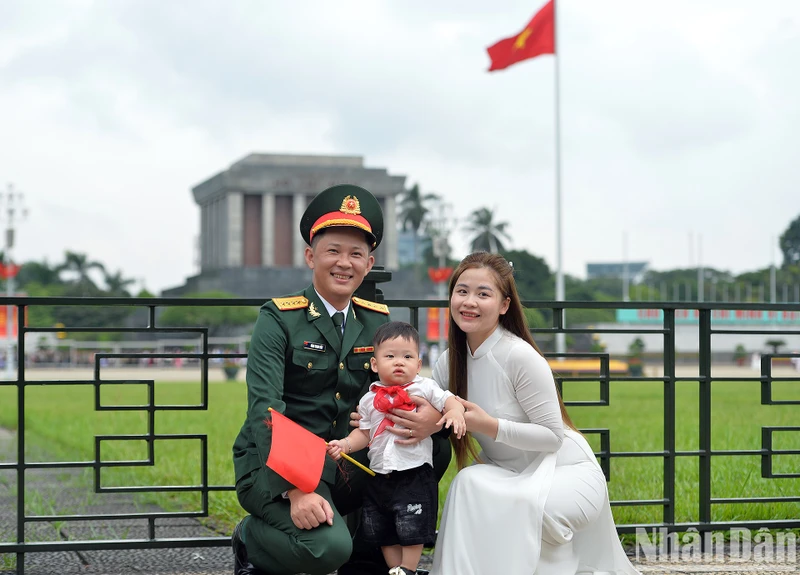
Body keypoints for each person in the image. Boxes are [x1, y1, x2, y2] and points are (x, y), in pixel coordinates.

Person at [231, 184, 451, 575]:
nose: (344, 263)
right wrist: (296, 489)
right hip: (280, 465)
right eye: (333, 251)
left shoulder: (375, 319)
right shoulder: (279, 318)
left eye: (356, 254)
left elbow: (399, 388)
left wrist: (432, 419)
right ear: (310, 256)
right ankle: (250, 539)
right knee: (327, 550)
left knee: (435, 446)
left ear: (369, 263)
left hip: (345, 459)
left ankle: (370, 552)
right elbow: (265, 410)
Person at [423, 252, 640, 575]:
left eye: (483, 294)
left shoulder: (518, 356)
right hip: (508, 472)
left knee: (525, 506)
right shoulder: (448, 363)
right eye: (462, 291)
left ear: (504, 305)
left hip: (565, 472)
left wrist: (490, 426)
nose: (469, 302)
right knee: (466, 483)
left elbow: (553, 437)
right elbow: (427, 404)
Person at [328, 322, 466, 575]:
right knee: (384, 530)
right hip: (380, 475)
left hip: (413, 472)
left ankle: (409, 569)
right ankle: (396, 570)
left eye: (407, 357)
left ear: (418, 363)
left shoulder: (424, 388)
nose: (399, 362)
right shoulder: (369, 399)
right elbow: (364, 433)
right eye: (390, 356)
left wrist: (455, 412)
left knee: (413, 526)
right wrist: (346, 444)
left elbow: (449, 400)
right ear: (375, 364)